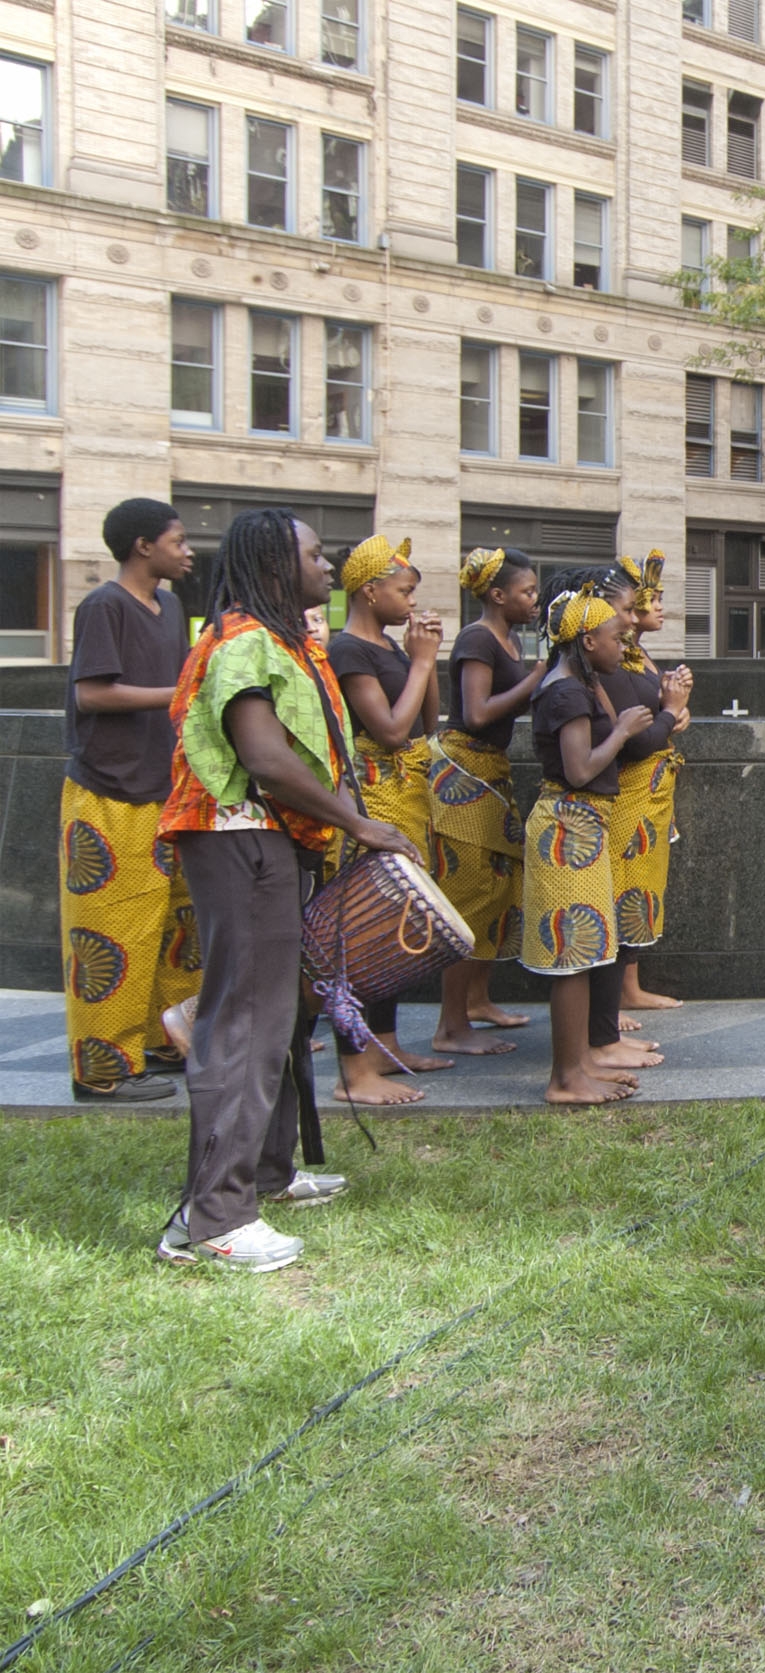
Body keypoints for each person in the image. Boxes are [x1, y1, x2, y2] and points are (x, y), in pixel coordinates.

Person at [156, 509, 416, 1271]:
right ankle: (213, 1219)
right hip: (239, 840)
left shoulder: (280, 640)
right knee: (245, 1020)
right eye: (315, 554)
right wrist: (359, 825)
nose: (328, 566)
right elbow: (265, 757)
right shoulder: (240, 643)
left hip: (271, 842)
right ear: (275, 562)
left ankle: (266, 1172)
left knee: (279, 1015)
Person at [59, 498, 203, 1102]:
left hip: (163, 790)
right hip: (108, 793)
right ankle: (101, 1072)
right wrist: (180, 692)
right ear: (143, 546)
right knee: (112, 932)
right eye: (178, 540)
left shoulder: (169, 605)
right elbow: (92, 693)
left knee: (175, 929)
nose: (187, 549)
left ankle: (162, 1042)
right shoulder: (104, 605)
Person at [326, 535, 451, 1103]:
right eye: (403, 592)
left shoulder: (393, 649)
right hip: (373, 801)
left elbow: (427, 722)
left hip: (408, 797)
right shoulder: (349, 649)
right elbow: (390, 732)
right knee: (361, 934)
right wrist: (421, 661)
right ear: (369, 591)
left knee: (392, 933)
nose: (411, 603)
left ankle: (384, 1048)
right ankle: (355, 1070)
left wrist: (425, 660)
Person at [522, 586, 657, 1105]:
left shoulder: (577, 681)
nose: (621, 645)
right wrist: (621, 731)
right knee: (573, 957)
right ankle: (564, 1078)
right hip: (566, 828)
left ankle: (580, 1064)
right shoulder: (565, 692)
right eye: (614, 637)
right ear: (586, 639)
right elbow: (580, 769)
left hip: (580, 827)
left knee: (585, 953)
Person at [429, 547, 540, 1054]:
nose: (534, 600)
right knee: (469, 896)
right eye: (527, 592)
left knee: (496, 893)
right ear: (498, 595)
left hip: (491, 771)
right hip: (465, 773)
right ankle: (451, 1027)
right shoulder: (477, 638)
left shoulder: (511, 639)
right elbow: (475, 713)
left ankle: (477, 1002)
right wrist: (537, 679)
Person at [607, 551, 694, 1012]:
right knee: (623, 883)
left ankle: (629, 988)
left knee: (641, 884)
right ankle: (615, 997)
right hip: (629, 788)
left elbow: (660, 713)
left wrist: (677, 710)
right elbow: (637, 734)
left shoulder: (637, 652)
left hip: (654, 788)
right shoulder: (615, 656)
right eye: (651, 599)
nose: (660, 606)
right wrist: (669, 710)